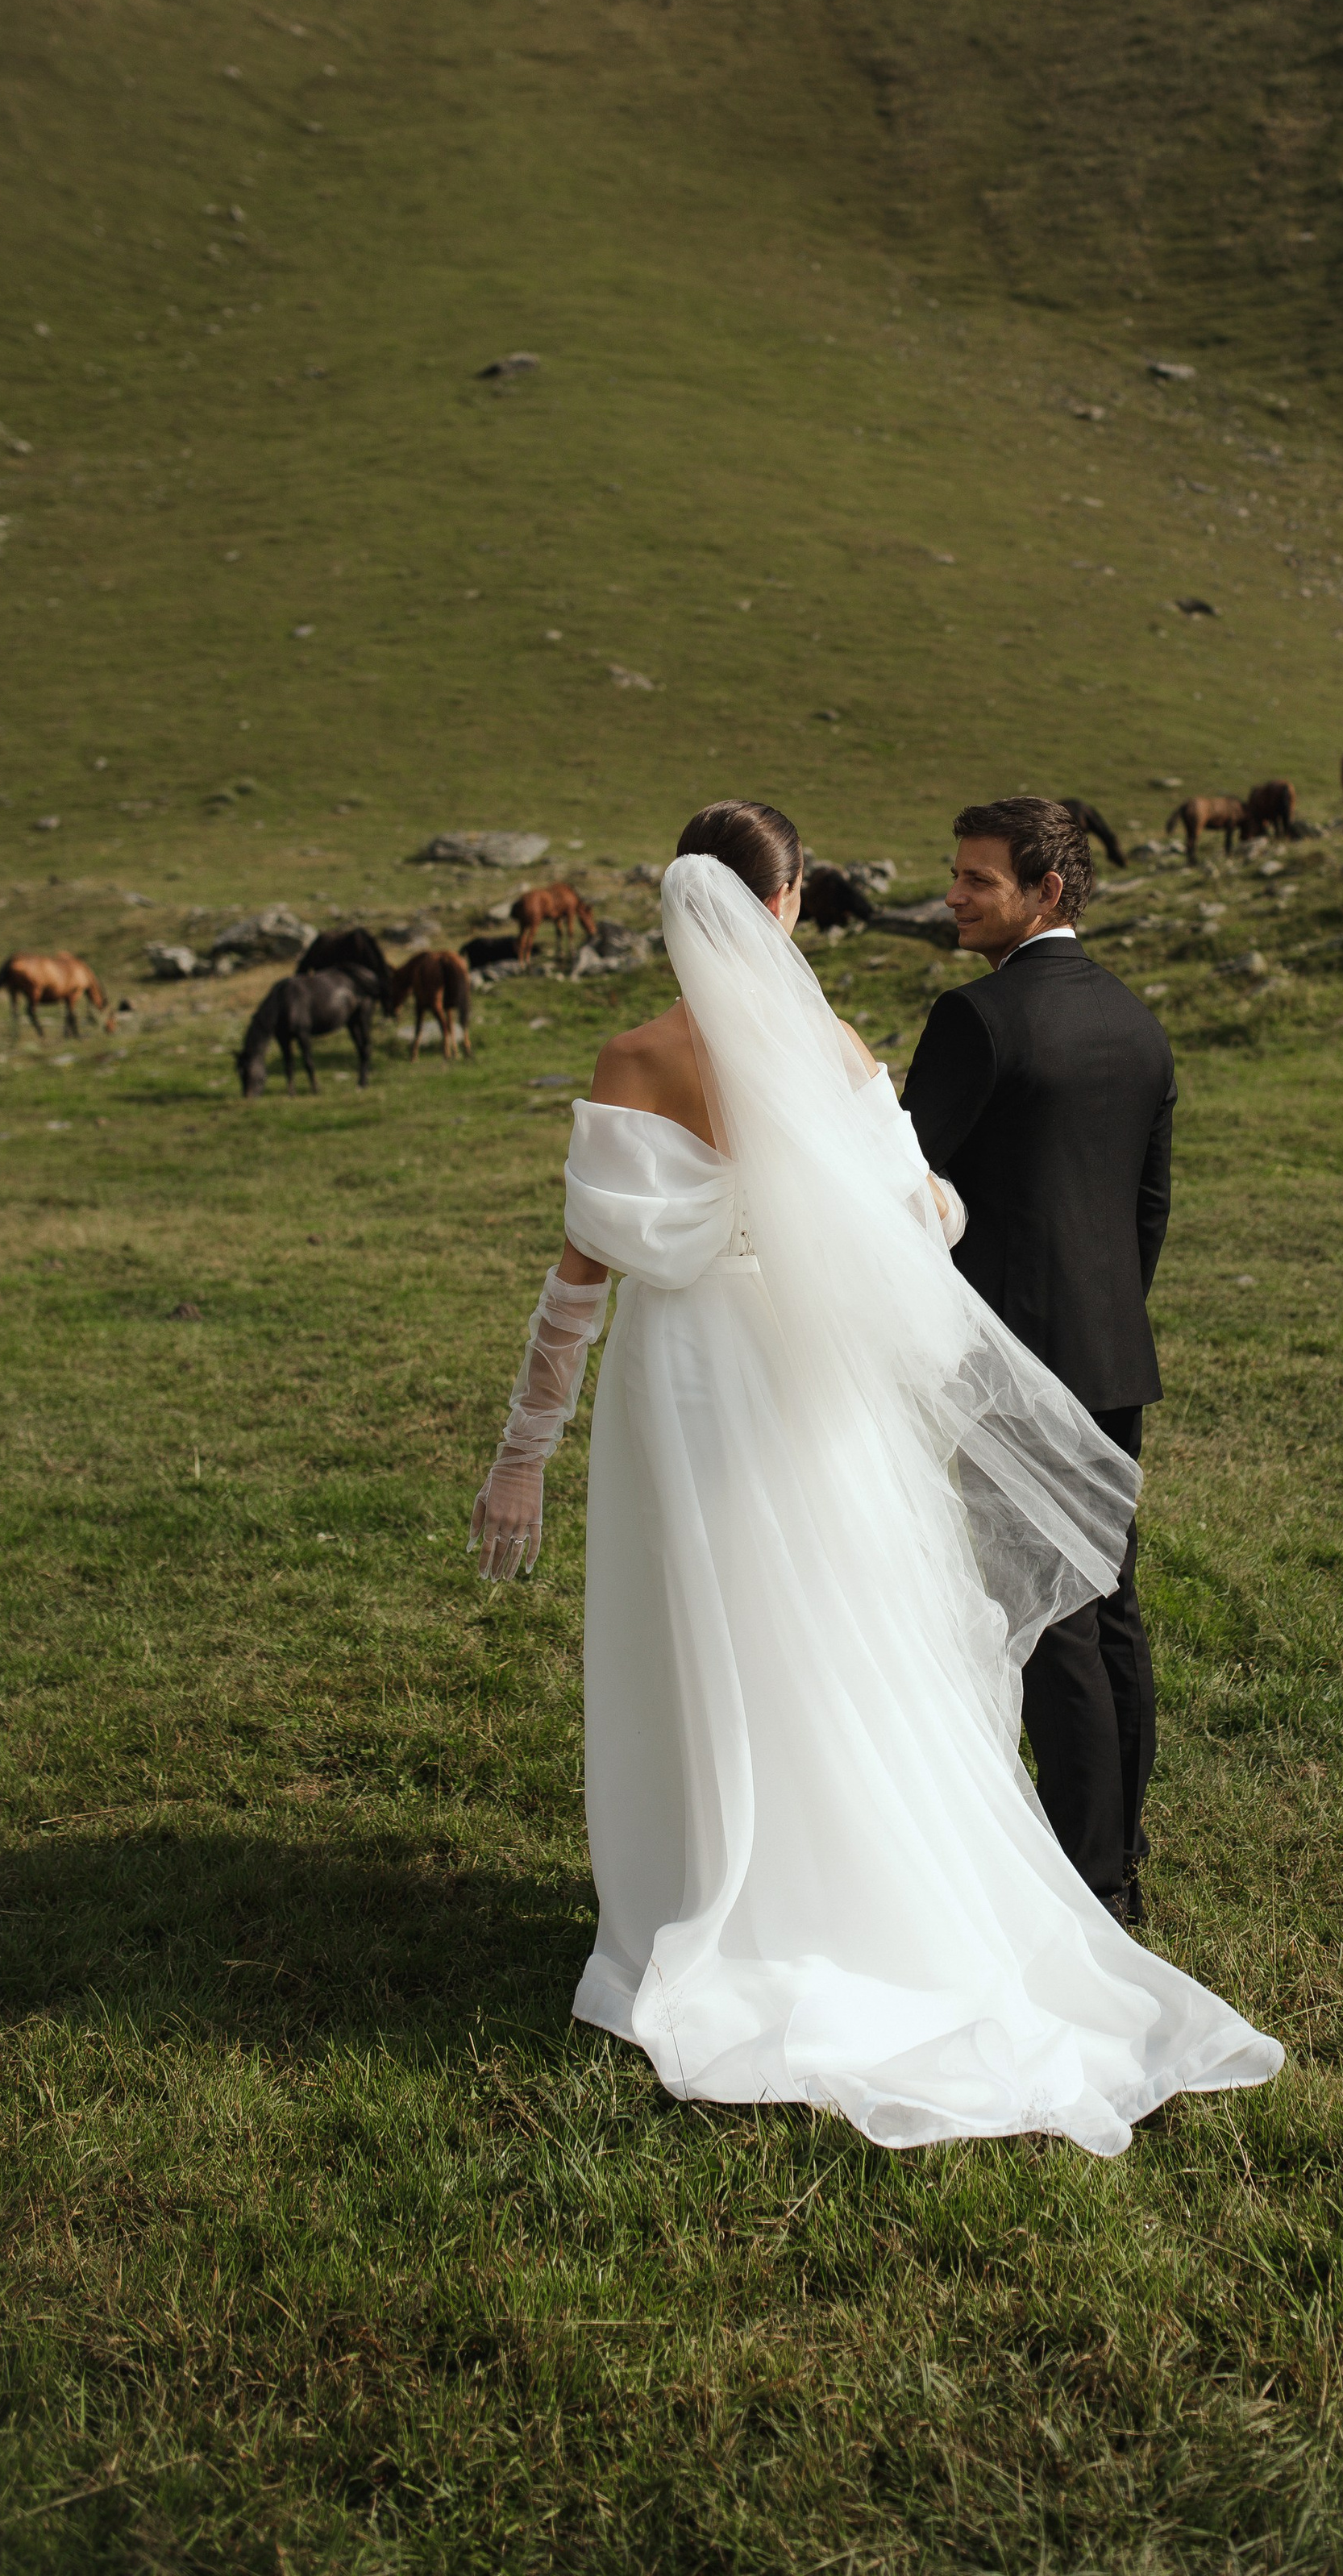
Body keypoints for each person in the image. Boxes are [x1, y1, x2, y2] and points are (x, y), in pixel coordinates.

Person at [469, 797, 1282, 2156]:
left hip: (683, 1394)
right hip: (812, 1386)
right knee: (841, 1639)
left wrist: (519, 1464)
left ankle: (710, 1904)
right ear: (786, 909)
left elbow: (573, 1295)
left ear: (681, 904)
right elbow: (925, 1229)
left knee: (706, 1639)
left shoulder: (632, 1058)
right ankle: (866, 1894)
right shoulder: (840, 1053)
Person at [901, 798, 1171, 1926]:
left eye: (977, 882)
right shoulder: (1136, 1022)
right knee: (1107, 1607)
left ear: (1046, 892)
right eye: (955, 877)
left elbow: (905, 1197)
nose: (954, 899)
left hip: (1009, 1363)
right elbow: (1147, 1208)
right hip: (1112, 1356)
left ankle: (1087, 1883)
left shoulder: (978, 1021)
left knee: (1049, 1615)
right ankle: (1121, 1852)